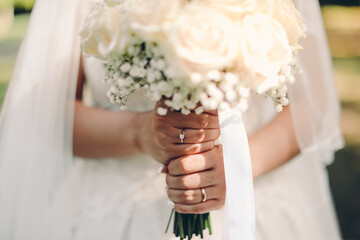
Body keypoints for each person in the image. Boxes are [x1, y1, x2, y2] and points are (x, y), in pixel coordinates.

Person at [0, 0, 344, 239]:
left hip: (258, 202)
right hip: (113, 208)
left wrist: (235, 170)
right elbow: (43, 114)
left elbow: (314, 104)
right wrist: (138, 132)